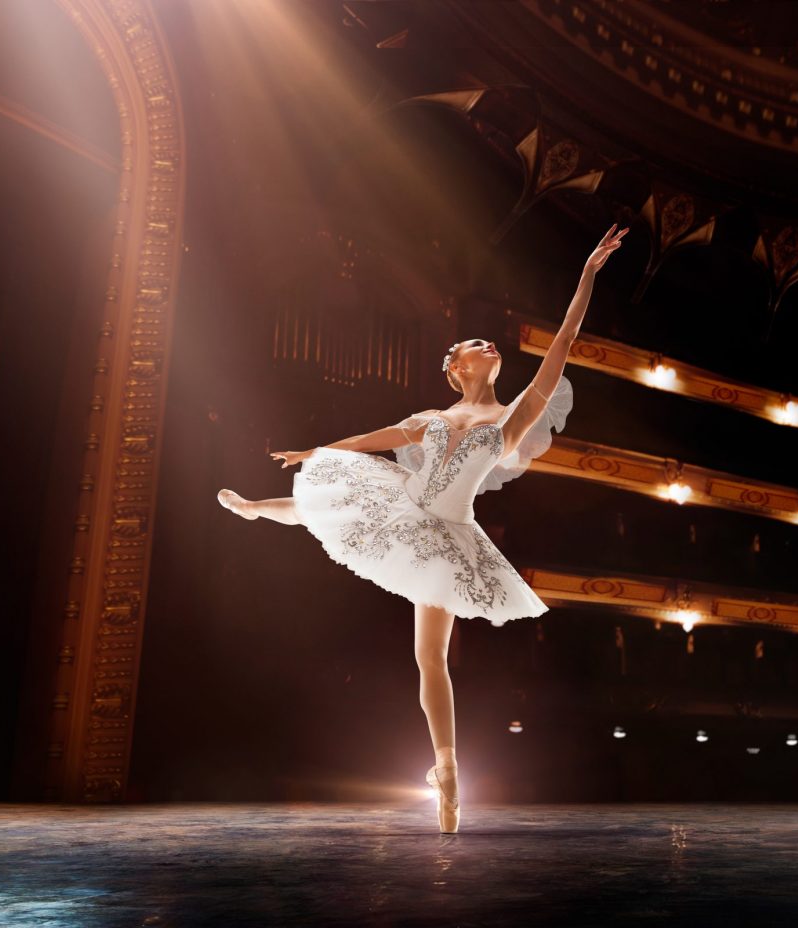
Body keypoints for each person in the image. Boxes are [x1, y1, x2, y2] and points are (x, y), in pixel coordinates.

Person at [216, 224, 628, 832]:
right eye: (473, 344)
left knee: (428, 656)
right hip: (413, 510)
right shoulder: (430, 416)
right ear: (454, 367)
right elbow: (366, 443)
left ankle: (448, 770)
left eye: (489, 343)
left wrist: (589, 272)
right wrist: (314, 452)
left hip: (445, 534)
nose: (487, 344)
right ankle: (255, 509)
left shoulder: (515, 417)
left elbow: (564, 338)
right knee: (334, 511)